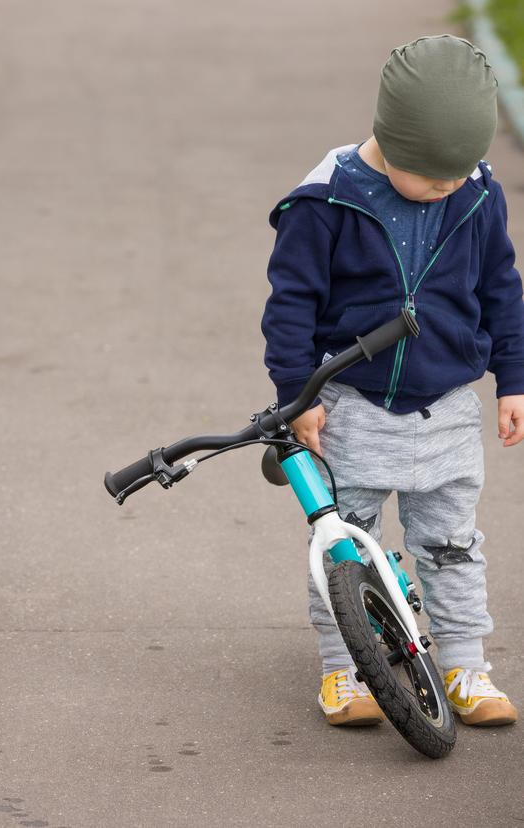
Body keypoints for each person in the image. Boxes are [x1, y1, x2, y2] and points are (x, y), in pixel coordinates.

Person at [262, 34, 521, 727]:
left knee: (453, 544)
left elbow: (502, 288)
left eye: (459, 174)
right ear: (389, 139)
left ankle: (467, 664)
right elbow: (290, 308)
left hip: (447, 409)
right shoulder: (322, 205)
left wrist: (514, 379)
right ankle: (345, 671)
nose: (446, 189)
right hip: (353, 405)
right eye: (431, 177)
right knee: (344, 546)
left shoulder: (475, 195)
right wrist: (300, 398)